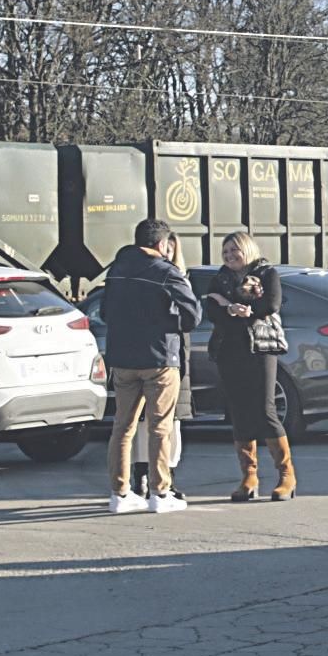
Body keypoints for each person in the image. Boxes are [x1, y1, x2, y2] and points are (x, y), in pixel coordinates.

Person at [98, 217, 202, 514]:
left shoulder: (117, 270)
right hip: (159, 358)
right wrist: (167, 321)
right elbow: (192, 316)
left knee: (123, 426)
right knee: (160, 427)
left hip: (122, 358)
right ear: (162, 243)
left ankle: (120, 493)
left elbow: (104, 312)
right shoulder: (165, 271)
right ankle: (160, 492)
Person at [202, 232, 291, 503]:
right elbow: (211, 310)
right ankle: (249, 477)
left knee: (265, 409)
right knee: (239, 412)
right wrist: (230, 310)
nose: (229, 256)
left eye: (234, 250)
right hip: (228, 350)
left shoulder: (266, 273)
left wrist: (243, 308)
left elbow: (271, 304)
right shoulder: (219, 278)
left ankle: (286, 475)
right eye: (225, 251)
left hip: (261, 348)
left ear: (247, 249)